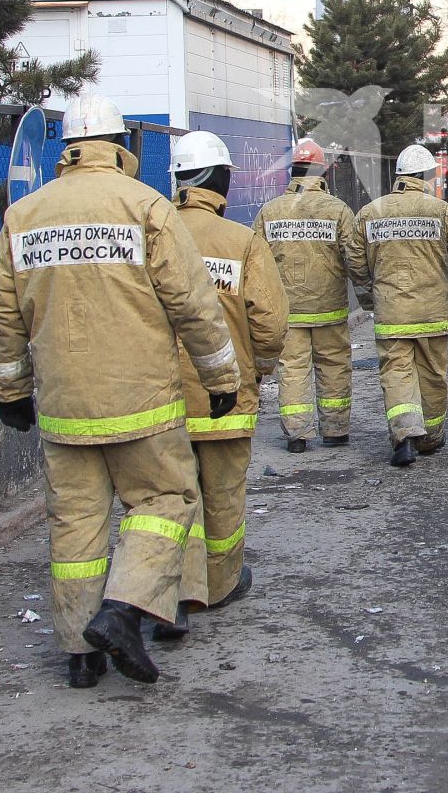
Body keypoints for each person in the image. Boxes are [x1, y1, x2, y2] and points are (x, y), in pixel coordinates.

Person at [0, 94, 238, 689]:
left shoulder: (25, 215)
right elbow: (193, 304)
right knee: (166, 500)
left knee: (75, 526)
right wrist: (220, 379)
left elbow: (1, 314)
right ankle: (123, 610)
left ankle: (80, 654)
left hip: (64, 407)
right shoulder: (145, 205)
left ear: (68, 149)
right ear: (121, 145)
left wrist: (13, 390)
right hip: (142, 403)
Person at [159, 131, 287, 639]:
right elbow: (271, 323)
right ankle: (220, 582)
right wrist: (262, 366)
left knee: (170, 499)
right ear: (222, 181)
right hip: (226, 397)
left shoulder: (152, 236)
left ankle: (173, 594)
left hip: (161, 401)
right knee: (224, 495)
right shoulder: (240, 242)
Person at [354, 145, 448, 466]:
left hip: (391, 311)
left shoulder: (370, 213)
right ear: (427, 176)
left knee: (396, 372)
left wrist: (371, 296)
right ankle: (431, 438)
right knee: (433, 375)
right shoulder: (444, 212)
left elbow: (355, 263)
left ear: (398, 176)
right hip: (433, 312)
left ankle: (405, 437)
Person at [255, 138, 367, 452]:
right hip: (329, 309)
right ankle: (335, 430)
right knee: (333, 366)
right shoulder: (338, 211)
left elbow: (256, 262)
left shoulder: (270, 211)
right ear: (323, 172)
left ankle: (297, 435)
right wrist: (365, 292)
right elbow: (355, 257)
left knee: (292, 369)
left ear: (292, 171)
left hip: (288, 311)